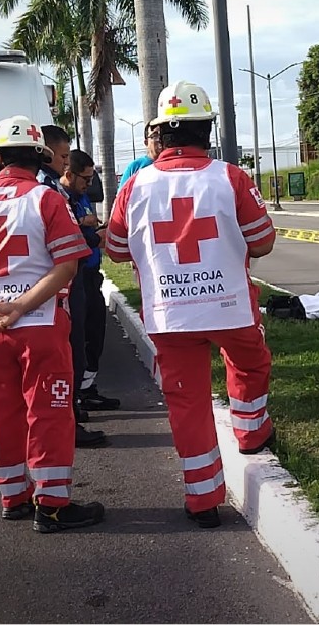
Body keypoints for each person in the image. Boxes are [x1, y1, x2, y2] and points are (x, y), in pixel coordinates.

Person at [105, 80, 277, 529]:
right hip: (230, 306)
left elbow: (117, 250)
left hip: (169, 313)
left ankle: (202, 500)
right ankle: (251, 432)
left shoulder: (134, 185)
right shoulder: (232, 178)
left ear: (160, 134)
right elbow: (263, 242)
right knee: (250, 362)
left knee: (188, 401)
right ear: (207, 130)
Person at [0, 114, 105, 534]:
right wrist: (20, 306)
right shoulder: (47, 200)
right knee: (49, 412)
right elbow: (67, 265)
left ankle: (13, 496)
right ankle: (52, 505)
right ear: (40, 158)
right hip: (41, 327)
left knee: (0, 412)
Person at [38, 124, 108, 448]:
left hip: (75, 278)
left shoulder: (52, 187)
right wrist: (93, 237)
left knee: (77, 348)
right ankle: (68, 421)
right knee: (69, 352)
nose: (66, 163)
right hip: (63, 281)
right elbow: (63, 236)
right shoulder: (45, 190)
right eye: (63, 156)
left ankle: (72, 413)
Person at [64, 149, 121, 413]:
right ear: (69, 174)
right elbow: (60, 232)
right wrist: (84, 226)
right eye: (85, 179)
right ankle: (75, 395)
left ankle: (87, 388)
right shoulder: (58, 197)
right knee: (79, 338)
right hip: (74, 276)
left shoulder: (82, 196)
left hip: (91, 272)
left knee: (95, 334)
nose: (89, 184)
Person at [117, 122, 160, 193]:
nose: (159, 140)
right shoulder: (135, 167)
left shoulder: (174, 165)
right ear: (146, 142)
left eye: (162, 135)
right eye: (155, 136)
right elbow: (122, 195)